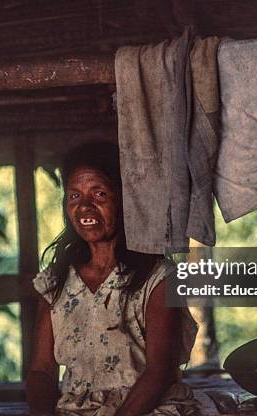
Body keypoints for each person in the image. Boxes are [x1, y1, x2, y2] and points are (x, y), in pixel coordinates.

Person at [26, 142, 201, 416]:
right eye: (74, 196)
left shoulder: (158, 278)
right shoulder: (55, 282)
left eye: (99, 193)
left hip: (146, 409)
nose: (84, 207)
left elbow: (160, 370)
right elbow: (41, 370)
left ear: (123, 199)